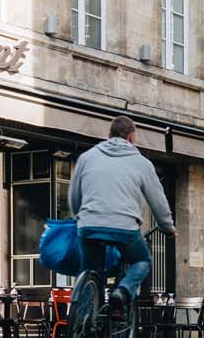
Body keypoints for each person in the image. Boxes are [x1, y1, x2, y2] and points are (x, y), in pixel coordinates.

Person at [67, 116, 175, 304]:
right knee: (142, 261)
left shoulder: (87, 157)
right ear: (132, 138)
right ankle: (123, 291)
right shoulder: (142, 163)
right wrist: (168, 228)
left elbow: (74, 195)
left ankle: (83, 322)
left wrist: (80, 216)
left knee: (89, 270)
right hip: (124, 227)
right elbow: (158, 201)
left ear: (109, 135)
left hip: (89, 225)